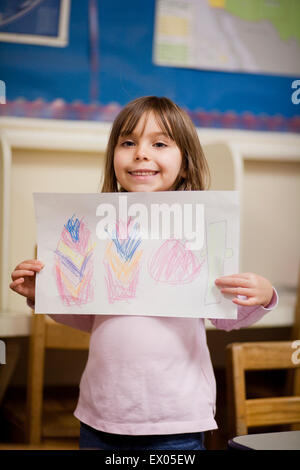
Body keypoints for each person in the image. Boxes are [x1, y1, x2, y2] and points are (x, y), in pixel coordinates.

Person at [10, 96, 278, 451]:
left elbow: (225, 318)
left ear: (184, 164)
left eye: (160, 143)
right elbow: (89, 316)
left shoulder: (199, 230)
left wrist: (262, 295)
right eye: (128, 142)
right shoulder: (99, 231)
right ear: (114, 157)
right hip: (101, 414)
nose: (140, 153)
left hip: (177, 420)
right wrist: (41, 294)